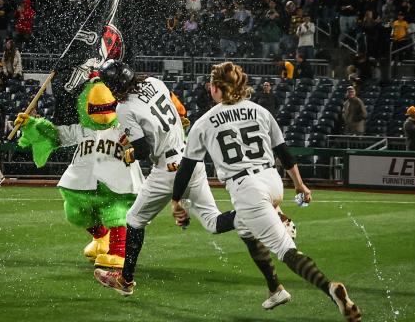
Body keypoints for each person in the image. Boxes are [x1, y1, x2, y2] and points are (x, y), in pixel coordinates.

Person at [170, 62, 361, 321]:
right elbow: (283, 152)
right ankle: (275, 288)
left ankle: (330, 289)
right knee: (248, 230)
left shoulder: (204, 122)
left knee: (286, 250)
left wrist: (175, 200)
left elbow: (186, 167)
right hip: (272, 179)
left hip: (246, 187)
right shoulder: (260, 110)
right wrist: (300, 184)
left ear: (215, 89)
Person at [94, 61, 287, 305]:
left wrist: (127, 145)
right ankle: (263, 212)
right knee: (213, 222)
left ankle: (126, 281)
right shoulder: (154, 82)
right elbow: (177, 111)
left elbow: (142, 151)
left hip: (167, 169)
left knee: (134, 220)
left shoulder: (123, 108)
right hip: (190, 160)